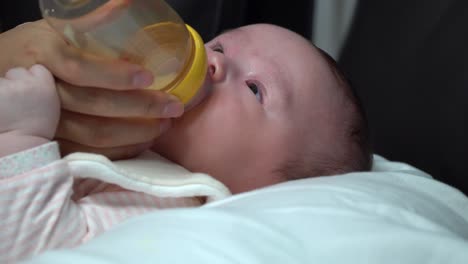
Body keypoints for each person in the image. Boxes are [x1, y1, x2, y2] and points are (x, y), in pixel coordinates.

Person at [0, 23, 371, 263]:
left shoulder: (165, 208)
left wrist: (21, 139)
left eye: (256, 88)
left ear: (269, 191)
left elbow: (35, 245)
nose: (214, 62)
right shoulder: (131, 142)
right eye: (221, 47)